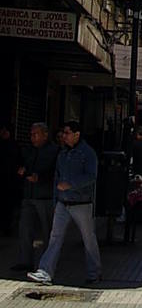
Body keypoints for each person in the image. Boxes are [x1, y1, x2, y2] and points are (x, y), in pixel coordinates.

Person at [27, 121, 101, 286]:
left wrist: (71, 184)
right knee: (55, 237)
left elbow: (91, 176)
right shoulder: (63, 154)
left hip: (81, 203)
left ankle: (94, 272)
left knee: (88, 238)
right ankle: (45, 271)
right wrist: (56, 201)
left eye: (67, 133)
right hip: (63, 202)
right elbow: (56, 179)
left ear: (77, 134)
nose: (64, 136)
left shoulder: (87, 153)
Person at [12, 123, 59, 272]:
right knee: (25, 229)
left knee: (47, 232)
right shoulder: (28, 150)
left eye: (36, 134)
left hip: (45, 196)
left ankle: (46, 264)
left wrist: (40, 178)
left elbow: (55, 173)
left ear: (45, 134)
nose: (33, 137)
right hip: (29, 194)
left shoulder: (54, 151)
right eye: (31, 134)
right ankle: (25, 261)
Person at [0, 122, 21, 235]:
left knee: (8, 206)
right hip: (5, 181)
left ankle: (7, 227)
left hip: (10, 182)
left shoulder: (13, 146)